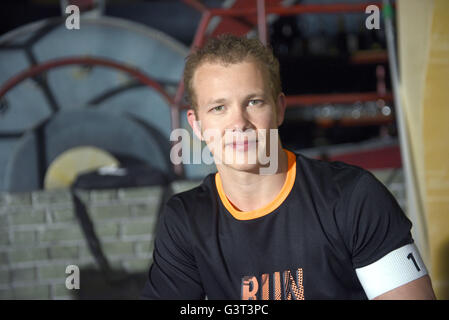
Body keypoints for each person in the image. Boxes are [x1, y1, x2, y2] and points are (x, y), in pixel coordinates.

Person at [141, 34, 436, 300]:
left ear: (279, 109)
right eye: (219, 108)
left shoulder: (354, 198)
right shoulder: (185, 220)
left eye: (254, 102)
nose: (239, 124)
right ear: (196, 125)